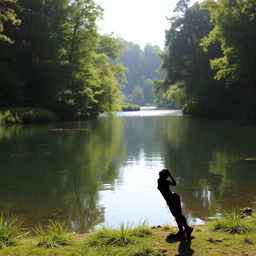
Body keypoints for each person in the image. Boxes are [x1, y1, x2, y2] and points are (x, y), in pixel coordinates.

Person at [157, 168, 193, 239]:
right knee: (178, 215)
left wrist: (169, 175)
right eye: (160, 174)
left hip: (173, 199)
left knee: (178, 215)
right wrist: (170, 175)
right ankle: (184, 231)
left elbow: (174, 183)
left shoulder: (163, 181)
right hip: (172, 199)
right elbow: (174, 183)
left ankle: (184, 231)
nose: (159, 175)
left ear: (163, 176)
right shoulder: (162, 181)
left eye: (160, 174)